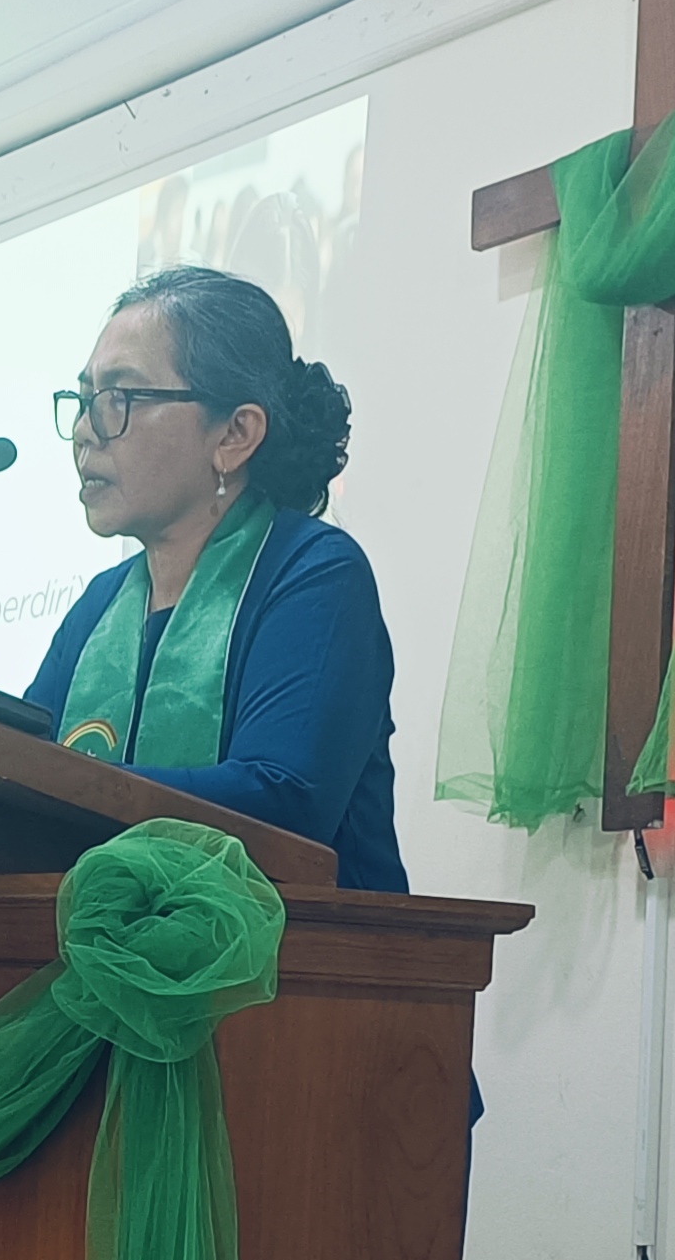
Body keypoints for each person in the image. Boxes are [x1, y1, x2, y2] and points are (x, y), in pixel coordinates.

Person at [25, 264, 407, 892]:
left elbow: (282, 803)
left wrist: (61, 784)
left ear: (234, 434)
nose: (86, 429)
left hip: (305, 947)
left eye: (121, 397)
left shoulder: (313, 576)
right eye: (85, 398)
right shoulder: (99, 607)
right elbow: (16, 771)